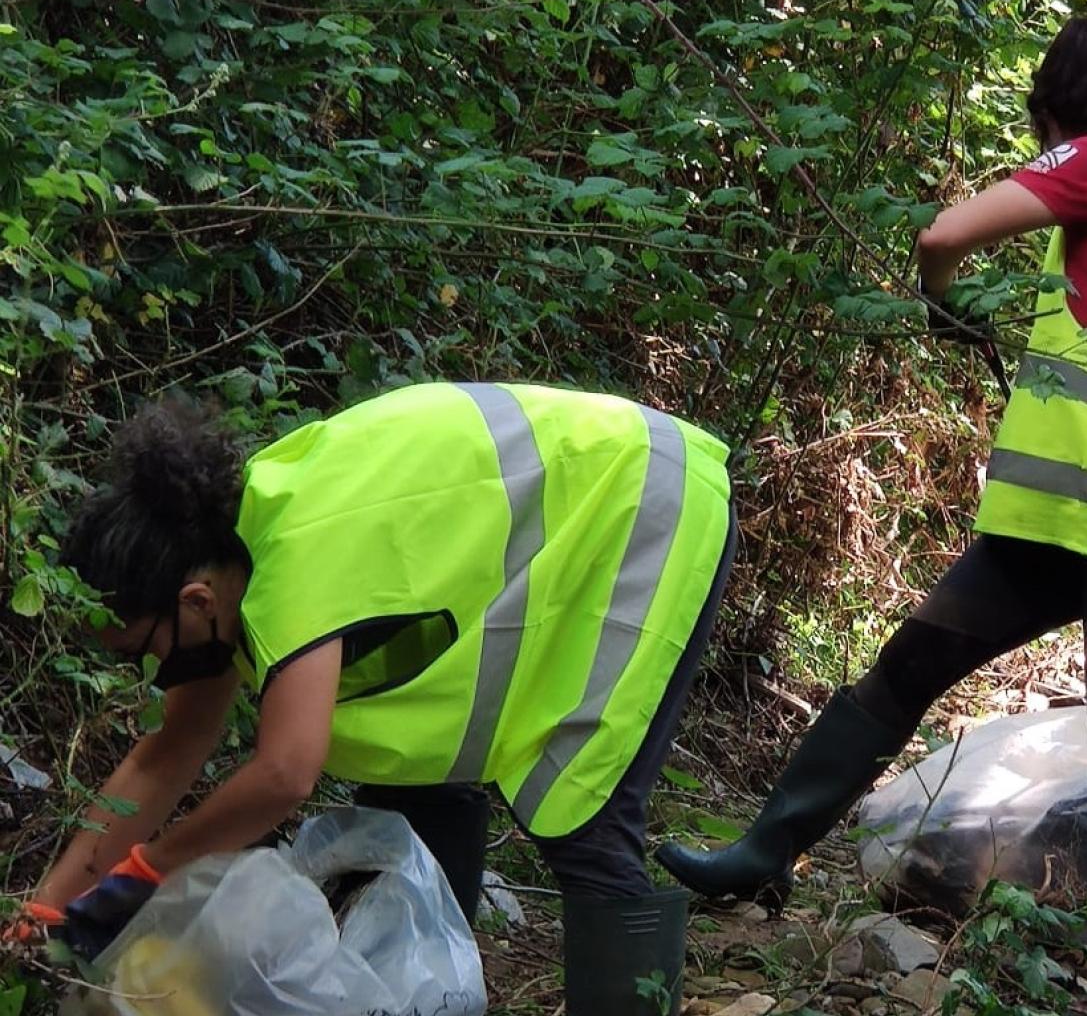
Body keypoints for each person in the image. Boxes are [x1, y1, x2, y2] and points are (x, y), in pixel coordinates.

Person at [656, 13, 1087, 1016]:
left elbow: (944, 234)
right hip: (1076, 519)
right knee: (910, 667)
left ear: (1058, 106)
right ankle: (766, 852)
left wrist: (940, 300)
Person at [14, 383, 733, 1015]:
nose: (151, 672)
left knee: (584, 813)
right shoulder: (230, 552)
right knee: (414, 797)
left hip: (637, 498)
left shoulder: (293, 562)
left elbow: (285, 772)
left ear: (194, 601)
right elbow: (167, 752)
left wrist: (149, 870)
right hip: (594, 502)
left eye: (146, 651)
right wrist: (47, 911)